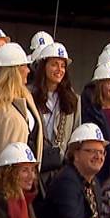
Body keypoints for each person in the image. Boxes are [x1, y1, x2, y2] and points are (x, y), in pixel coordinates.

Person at [0, 43, 43, 185]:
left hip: (28, 181)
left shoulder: (27, 97)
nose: (28, 71)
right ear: (14, 70)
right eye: (24, 66)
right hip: (2, 185)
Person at [29, 42, 81, 183]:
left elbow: (75, 135)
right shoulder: (28, 95)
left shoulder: (74, 99)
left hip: (62, 170)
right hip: (34, 168)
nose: (59, 69)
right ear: (43, 66)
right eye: (54, 64)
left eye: (63, 65)